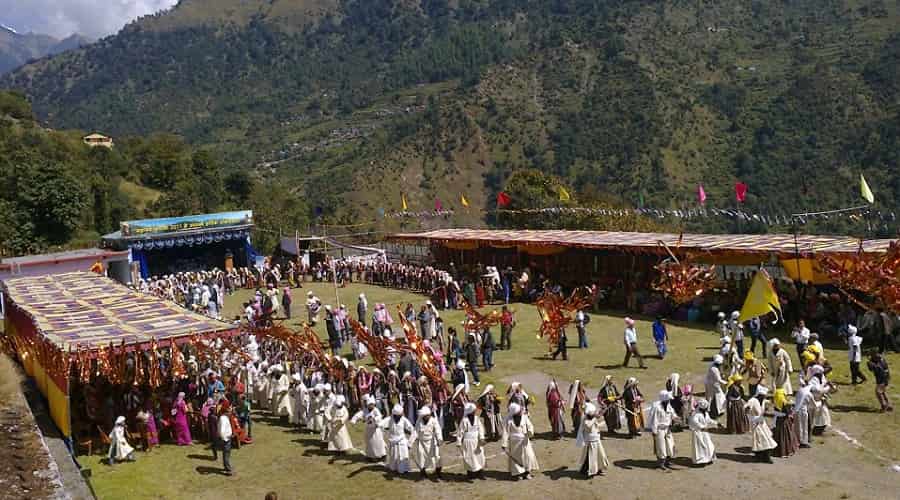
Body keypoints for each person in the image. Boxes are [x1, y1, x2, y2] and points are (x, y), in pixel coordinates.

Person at [500, 402, 539, 480]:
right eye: (519, 410)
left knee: (528, 456)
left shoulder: (525, 417)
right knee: (516, 459)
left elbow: (530, 426)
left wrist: (529, 433)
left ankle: (527, 472)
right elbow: (505, 432)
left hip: (524, 441)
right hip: (514, 443)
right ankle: (518, 474)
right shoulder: (509, 420)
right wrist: (504, 444)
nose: (521, 410)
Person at [576, 402, 609, 477]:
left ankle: (599, 469)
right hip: (591, 442)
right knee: (590, 458)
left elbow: (597, 423)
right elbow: (588, 426)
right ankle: (587, 471)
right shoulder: (585, 420)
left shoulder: (592, 417)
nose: (594, 413)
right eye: (592, 412)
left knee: (600, 456)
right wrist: (595, 418)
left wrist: (604, 410)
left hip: (597, 440)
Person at [745, 386, 776, 463]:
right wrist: (747, 409)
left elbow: (770, 402)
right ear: (759, 394)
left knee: (765, 438)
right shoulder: (753, 400)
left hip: (762, 423)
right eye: (762, 396)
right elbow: (746, 407)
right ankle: (766, 457)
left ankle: (760, 455)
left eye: (764, 396)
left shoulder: (763, 400)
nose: (764, 397)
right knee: (763, 439)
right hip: (755, 423)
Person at [351, 395, 386, 461]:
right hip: (368, 429)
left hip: (375, 430)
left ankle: (381, 455)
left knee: (378, 442)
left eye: (372, 404)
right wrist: (354, 420)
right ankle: (370, 455)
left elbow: (379, 416)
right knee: (369, 443)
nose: (371, 406)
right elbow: (359, 414)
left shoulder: (376, 410)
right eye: (370, 404)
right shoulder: (365, 410)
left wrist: (374, 419)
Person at [381, 404, 414, 475]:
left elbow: (412, 430)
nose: (399, 417)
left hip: (402, 440)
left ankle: (404, 469)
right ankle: (394, 468)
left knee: (403, 455)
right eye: (397, 416)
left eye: (400, 415)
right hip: (393, 440)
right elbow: (381, 424)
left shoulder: (404, 419)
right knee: (394, 456)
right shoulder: (389, 419)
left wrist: (410, 443)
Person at [647, 390, 676, 470]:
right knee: (661, 447)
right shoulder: (657, 408)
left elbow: (672, 414)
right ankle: (661, 463)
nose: (669, 401)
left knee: (670, 445)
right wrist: (654, 431)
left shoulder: (668, 405)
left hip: (667, 429)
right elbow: (654, 420)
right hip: (659, 430)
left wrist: (676, 418)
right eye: (667, 400)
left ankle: (668, 460)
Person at [457, 402, 486, 479]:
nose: (475, 411)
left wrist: (482, 438)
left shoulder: (477, 419)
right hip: (468, 441)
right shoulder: (464, 420)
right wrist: (459, 442)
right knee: (469, 457)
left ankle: (480, 473)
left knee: (480, 456)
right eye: (474, 410)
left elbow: (480, 429)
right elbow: (460, 432)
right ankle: (470, 474)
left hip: (476, 441)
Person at [411, 407, 442, 479]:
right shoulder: (419, 421)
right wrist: (410, 443)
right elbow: (415, 431)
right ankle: (423, 473)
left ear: (429, 415)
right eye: (423, 417)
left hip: (432, 442)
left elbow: (438, 430)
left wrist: (439, 439)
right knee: (421, 457)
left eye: (426, 416)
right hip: (422, 443)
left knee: (437, 457)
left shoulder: (433, 421)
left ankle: (438, 472)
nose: (425, 418)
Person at [772, 388, 799, 458]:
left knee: (777, 435)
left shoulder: (775, 401)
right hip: (784, 421)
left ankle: (776, 450)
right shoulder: (785, 403)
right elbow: (789, 412)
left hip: (778, 420)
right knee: (785, 436)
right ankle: (785, 451)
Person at [689, 400, 716, 466]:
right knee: (700, 448)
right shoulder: (695, 414)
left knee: (709, 445)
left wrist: (716, 423)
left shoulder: (705, 413)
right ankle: (701, 461)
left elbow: (709, 420)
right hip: (698, 433)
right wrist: (703, 427)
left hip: (705, 433)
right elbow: (695, 422)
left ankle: (708, 459)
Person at [793, 383, 814, 448]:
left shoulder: (800, 391)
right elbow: (814, 405)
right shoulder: (809, 394)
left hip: (796, 410)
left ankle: (797, 440)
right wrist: (821, 402)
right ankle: (803, 442)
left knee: (798, 427)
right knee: (804, 427)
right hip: (803, 412)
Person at [217, 400, 234, 476]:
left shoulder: (224, 417)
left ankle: (226, 466)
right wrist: (225, 438)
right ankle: (228, 469)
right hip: (226, 439)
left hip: (227, 438)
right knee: (226, 454)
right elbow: (222, 430)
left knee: (226, 453)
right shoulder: (223, 419)